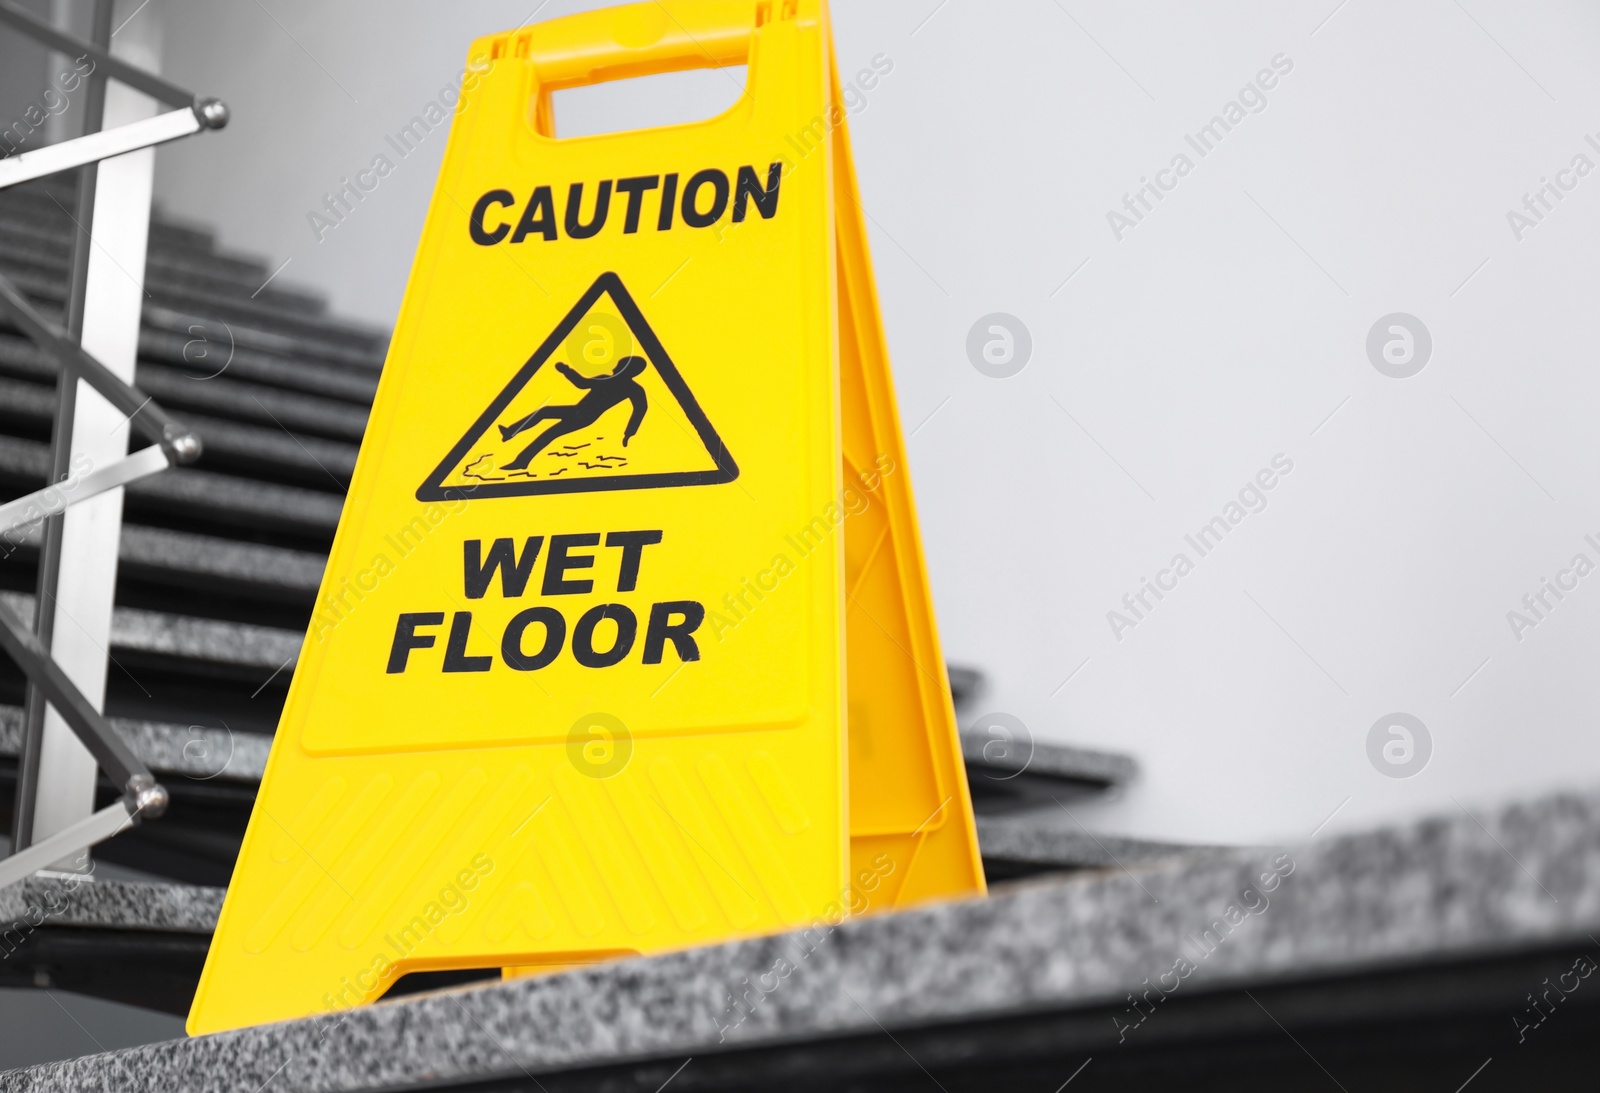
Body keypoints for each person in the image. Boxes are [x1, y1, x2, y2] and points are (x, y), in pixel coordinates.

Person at [499, 355, 648, 470]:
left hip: (584, 416)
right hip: (577, 411)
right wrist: (567, 371)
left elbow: (640, 410)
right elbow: (582, 383)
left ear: (628, 370)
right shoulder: (611, 380)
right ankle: (513, 438)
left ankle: (520, 458)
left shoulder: (629, 387)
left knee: (549, 430)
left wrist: (629, 433)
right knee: (544, 415)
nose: (614, 368)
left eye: (619, 366)